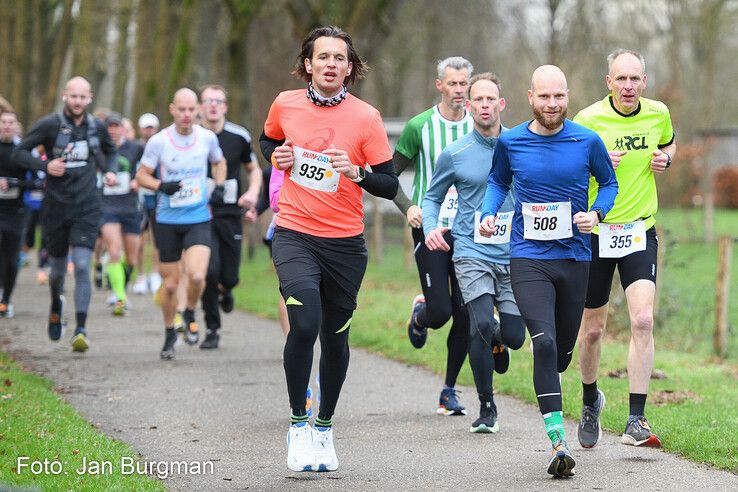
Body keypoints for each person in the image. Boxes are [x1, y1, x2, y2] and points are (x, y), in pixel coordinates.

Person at [259, 26, 398, 473]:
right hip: (295, 232)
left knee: (335, 337)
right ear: (308, 64)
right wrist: (276, 156)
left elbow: (389, 182)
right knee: (304, 323)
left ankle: (323, 427)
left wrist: (356, 173)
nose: (331, 64)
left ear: (350, 68)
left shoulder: (367, 118)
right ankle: (298, 424)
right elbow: (268, 139)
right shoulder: (285, 103)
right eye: (323, 57)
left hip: (344, 244)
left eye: (340, 58)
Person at [479, 65, 617, 477]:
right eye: (544, 97)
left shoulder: (587, 140)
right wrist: (488, 213)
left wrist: (597, 212)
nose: (552, 105)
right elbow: (497, 183)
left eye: (559, 97)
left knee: (559, 356)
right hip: (528, 257)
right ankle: (558, 442)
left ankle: (585, 393)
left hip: (575, 257)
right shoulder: (511, 142)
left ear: (567, 96)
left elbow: (608, 184)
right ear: (530, 97)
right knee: (542, 343)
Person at [573, 49, 676, 449]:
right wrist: (596, 165)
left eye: (635, 79)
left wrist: (666, 158)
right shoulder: (587, 119)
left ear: (644, 82)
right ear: (608, 82)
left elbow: (670, 145)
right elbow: (567, 168)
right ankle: (588, 401)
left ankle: (636, 417)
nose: (628, 86)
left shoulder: (659, 113)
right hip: (597, 231)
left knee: (644, 320)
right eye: (621, 79)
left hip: (639, 231)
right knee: (594, 329)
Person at [422, 73, 525, 433]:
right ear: (468, 106)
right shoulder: (455, 153)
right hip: (470, 251)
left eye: (490, 99)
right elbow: (432, 197)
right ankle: (487, 406)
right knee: (479, 325)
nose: (484, 106)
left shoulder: (520, 145)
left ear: (501, 104)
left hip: (514, 253)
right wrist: (431, 226)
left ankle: (500, 338)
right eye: (477, 100)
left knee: (513, 336)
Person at [393, 56, 475, 416]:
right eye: (453, 84)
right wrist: (408, 207)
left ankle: (449, 390)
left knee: (465, 312)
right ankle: (422, 313)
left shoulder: (481, 124)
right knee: (441, 312)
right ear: (439, 85)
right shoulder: (419, 127)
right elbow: (388, 175)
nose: (459, 90)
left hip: (471, 231)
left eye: (464, 84)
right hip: (430, 228)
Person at [13, 77, 118, 352]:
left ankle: (80, 329)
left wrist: (109, 171)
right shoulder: (49, 124)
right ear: (64, 96)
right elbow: (19, 152)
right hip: (55, 207)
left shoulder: (97, 126)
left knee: (83, 265)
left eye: (83, 97)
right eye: (73, 96)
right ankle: (56, 303)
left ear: (90, 98)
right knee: (57, 271)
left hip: (87, 205)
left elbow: (111, 150)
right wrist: (44, 166)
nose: (78, 102)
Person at [135, 88, 225, 359]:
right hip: (167, 220)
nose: (186, 115)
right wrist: (162, 185)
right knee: (171, 284)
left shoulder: (207, 138)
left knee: (197, 275)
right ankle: (169, 332)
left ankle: (189, 310)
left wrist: (218, 186)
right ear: (172, 109)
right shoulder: (159, 142)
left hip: (198, 217)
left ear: (197, 109)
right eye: (181, 110)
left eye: (190, 110)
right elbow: (141, 176)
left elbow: (219, 163)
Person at [198, 84, 262, 349]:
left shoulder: (238, 136)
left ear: (225, 107)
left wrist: (252, 194)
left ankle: (228, 289)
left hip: (230, 212)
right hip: (199, 213)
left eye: (218, 101)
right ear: (201, 106)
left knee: (229, 275)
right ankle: (212, 329)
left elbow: (254, 169)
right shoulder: (192, 137)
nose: (213, 105)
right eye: (208, 101)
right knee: (208, 271)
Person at [100, 112, 144, 315]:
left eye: (116, 126)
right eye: (109, 126)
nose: (113, 130)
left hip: (130, 207)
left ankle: (120, 287)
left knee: (131, 258)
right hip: (107, 207)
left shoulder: (135, 148)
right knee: (115, 251)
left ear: (123, 129)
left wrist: (138, 181)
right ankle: (120, 297)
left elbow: (149, 170)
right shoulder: (98, 150)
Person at [0, 110, 32, 318]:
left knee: (12, 258)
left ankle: (6, 300)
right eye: (3, 122)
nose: (7, 126)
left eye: (11, 122)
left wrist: (13, 183)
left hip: (17, 211)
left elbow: (37, 180)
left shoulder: (23, 150)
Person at [132, 113, 162, 296]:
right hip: (139, 198)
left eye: (151, 127)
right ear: (140, 129)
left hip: (157, 196)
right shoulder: (135, 148)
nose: (148, 131)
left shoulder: (161, 145)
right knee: (140, 240)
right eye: (146, 127)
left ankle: (156, 274)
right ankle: (141, 275)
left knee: (158, 238)